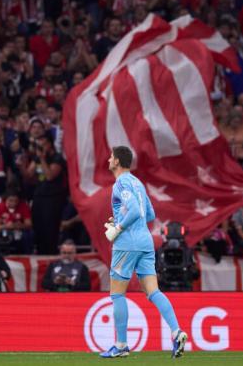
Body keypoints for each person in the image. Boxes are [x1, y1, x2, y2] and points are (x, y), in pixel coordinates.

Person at [100, 146, 187, 358]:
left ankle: (121, 346)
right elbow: (150, 213)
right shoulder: (138, 183)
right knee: (153, 292)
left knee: (117, 294)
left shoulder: (121, 182)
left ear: (118, 161)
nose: (109, 159)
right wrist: (120, 219)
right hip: (146, 242)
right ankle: (177, 332)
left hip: (127, 244)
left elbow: (137, 211)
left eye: (111, 157)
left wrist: (119, 227)